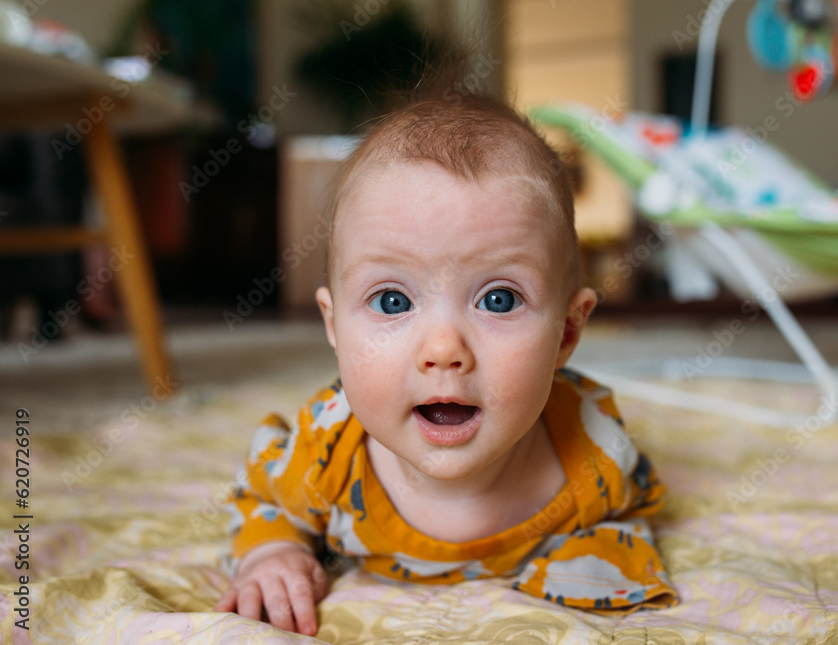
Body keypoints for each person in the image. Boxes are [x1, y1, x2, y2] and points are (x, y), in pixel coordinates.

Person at [214, 90, 678, 635]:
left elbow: (635, 505)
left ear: (567, 331)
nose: (442, 350)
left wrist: (599, 551)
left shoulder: (593, 451)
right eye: (392, 301)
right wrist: (273, 554)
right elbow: (261, 500)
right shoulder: (325, 455)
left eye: (498, 299)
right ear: (334, 325)